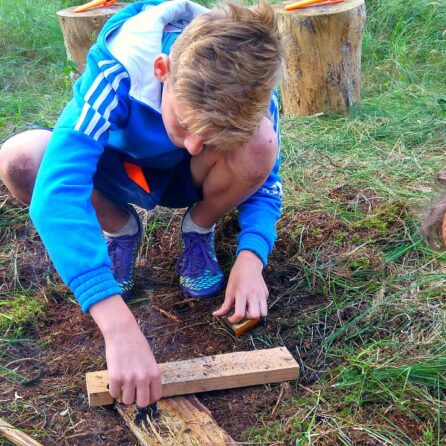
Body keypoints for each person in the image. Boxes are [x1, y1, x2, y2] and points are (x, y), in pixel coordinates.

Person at [0, 0, 284, 408]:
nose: (193, 145)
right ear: (161, 70)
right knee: (21, 159)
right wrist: (118, 326)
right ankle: (119, 228)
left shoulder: (249, 86)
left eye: (211, 135)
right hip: (118, 171)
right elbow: (58, 190)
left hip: (190, 181)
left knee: (260, 143)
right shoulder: (118, 68)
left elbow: (266, 181)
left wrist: (251, 257)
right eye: (186, 124)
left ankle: (199, 226)